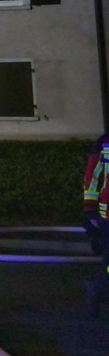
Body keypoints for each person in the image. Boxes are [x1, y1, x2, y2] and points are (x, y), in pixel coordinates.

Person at [82, 130, 109, 315]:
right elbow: (93, 177)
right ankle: (97, 290)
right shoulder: (105, 143)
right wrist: (89, 208)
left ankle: (97, 289)